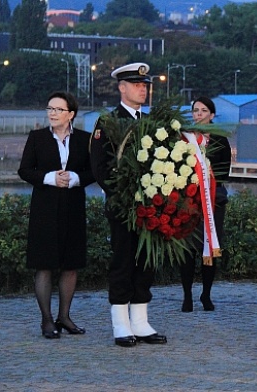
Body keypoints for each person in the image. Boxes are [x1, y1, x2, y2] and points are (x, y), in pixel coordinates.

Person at [89, 62, 168, 347]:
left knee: (146, 261)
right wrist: (125, 195)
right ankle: (121, 323)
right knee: (123, 260)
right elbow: (100, 167)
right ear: (122, 88)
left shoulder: (152, 123)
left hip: (151, 206)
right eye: (136, 85)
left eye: (145, 85)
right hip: (123, 207)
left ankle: (141, 321)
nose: (143, 89)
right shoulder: (108, 122)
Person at [19, 91, 94, 339]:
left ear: (70, 114)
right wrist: (50, 178)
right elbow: (25, 170)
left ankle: (65, 316)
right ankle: (47, 320)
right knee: (45, 265)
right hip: (45, 208)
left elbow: (93, 171)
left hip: (73, 206)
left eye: (58, 109)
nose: (52, 113)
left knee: (71, 264)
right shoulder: (37, 138)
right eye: (50, 108)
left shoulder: (84, 139)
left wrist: (74, 178)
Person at [179, 97, 232, 312]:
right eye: (195, 110)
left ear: (211, 114)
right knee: (187, 249)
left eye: (203, 110)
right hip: (188, 200)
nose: (198, 114)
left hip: (213, 200)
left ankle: (206, 295)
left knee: (210, 247)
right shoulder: (184, 139)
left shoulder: (220, 140)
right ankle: (187, 296)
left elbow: (225, 171)